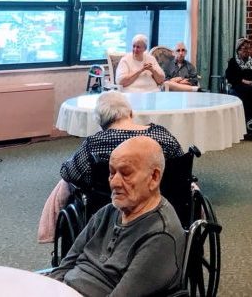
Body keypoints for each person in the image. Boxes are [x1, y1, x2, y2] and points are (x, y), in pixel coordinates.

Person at [47, 136, 186, 297]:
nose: (115, 182)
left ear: (154, 177)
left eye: (126, 173)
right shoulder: (108, 212)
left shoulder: (160, 235)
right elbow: (65, 266)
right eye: (112, 173)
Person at [60, 91, 184, 189]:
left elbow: (68, 173)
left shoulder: (94, 144)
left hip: (110, 207)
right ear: (130, 113)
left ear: (101, 122)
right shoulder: (161, 135)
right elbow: (181, 167)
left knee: (63, 186)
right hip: (159, 200)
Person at [225, 37, 252, 123]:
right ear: (238, 50)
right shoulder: (233, 62)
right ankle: (246, 118)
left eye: (248, 49)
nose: (247, 51)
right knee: (244, 92)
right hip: (239, 85)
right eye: (244, 49)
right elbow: (230, 76)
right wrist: (243, 81)